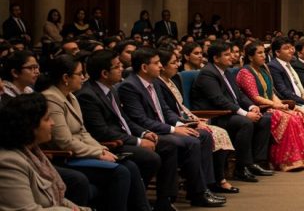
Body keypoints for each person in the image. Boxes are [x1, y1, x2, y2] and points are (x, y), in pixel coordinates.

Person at [39, 54, 151, 211]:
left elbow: (83, 132)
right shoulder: (51, 99)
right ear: (66, 77)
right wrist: (97, 153)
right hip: (65, 157)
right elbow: (64, 142)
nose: (83, 78)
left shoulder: (70, 96)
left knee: (130, 165)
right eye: (79, 74)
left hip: (82, 151)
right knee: (121, 172)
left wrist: (101, 149)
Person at [74, 50, 169, 210]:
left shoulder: (111, 89)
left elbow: (125, 119)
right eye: (117, 66)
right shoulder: (87, 96)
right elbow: (102, 132)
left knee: (164, 146)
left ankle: (144, 200)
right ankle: (136, 202)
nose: (122, 69)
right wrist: (138, 142)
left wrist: (143, 133)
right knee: (150, 158)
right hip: (109, 143)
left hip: (122, 136)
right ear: (104, 73)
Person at [189, 41, 274, 183]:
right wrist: (245, 113)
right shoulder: (208, 74)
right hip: (215, 115)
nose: (231, 57)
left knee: (264, 119)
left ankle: (256, 162)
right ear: (216, 58)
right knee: (245, 122)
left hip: (229, 111)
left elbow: (239, 95)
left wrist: (251, 106)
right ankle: (241, 168)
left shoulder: (227, 72)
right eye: (227, 54)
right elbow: (218, 100)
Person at [155, 49, 237, 195]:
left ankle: (217, 179)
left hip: (182, 119)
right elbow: (166, 111)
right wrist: (189, 122)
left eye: (177, 61)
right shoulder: (158, 83)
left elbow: (181, 106)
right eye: (173, 63)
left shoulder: (172, 80)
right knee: (210, 133)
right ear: (162, 65)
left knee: (219, 133)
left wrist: (194, 118)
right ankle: (208, 183)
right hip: (174, 124)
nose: (177, 65)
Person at [0, 93, 92, 211]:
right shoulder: (9, 162)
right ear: (30, 125)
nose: (52, 123)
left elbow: (56, 198)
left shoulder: (34, 152)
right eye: (47, 119)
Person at [235, 43, 304, 171]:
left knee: (298, 115)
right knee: (289, 118)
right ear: (250, 56)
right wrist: (275, 105)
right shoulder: (245, 72)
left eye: (264, 52)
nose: (263, 55)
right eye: (259, 53)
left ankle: (299, 159)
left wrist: (280, 104)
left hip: (269, 104)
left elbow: (271, 93)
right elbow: (255, 97)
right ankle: (283, 161)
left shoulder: (264, 68)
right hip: (259, 107)